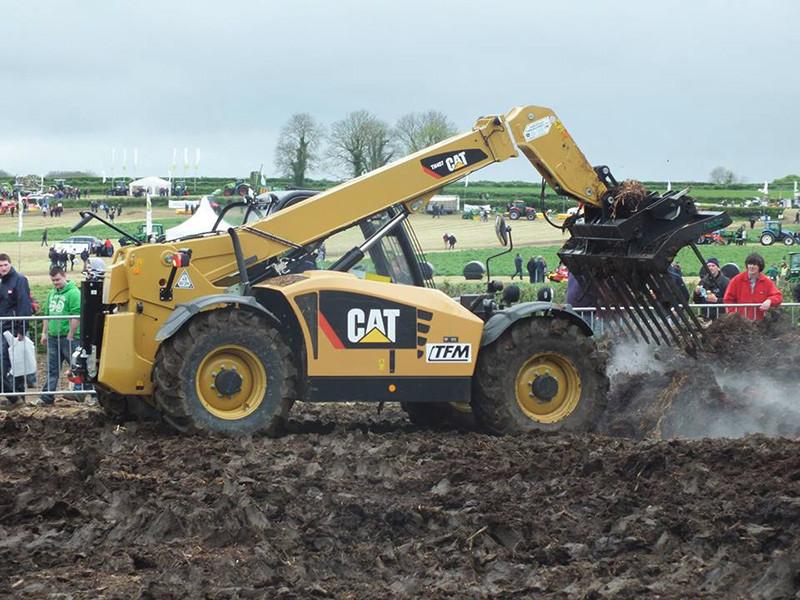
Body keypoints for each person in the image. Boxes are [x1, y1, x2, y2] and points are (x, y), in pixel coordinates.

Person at [37, 266, 82, 406]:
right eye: (53, 280)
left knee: (76, 366)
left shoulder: (74, 293)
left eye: (57, 279)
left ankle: (81, 392)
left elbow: (76, 314)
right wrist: (44, 332)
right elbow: (47, 314)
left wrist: (71, 334)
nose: (55, 283)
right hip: (53, 336)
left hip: (68, 337)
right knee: (52, 368)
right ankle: (47, 397)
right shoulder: (52, 293)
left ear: (64, 276)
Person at [0, 254, 33, 408]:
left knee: (16, 363)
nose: (3, 268)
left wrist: (22, 328)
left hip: (13, 328)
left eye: (5, 265)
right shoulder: (1, 282)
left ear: (10, 264)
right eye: (0, 266)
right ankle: (13, 397)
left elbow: (24, 304)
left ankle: (18, 398)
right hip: (2, 327)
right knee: (6, 365)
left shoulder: (19, 279)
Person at [723, 252, 783, 321]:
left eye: (754, 264)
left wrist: (770, 301)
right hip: (740, 322)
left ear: (760, 266)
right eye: (749, 264)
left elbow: (778, 296)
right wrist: (733, 315)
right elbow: (728, 299)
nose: (751, 267)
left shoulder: (766, 281)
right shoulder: (736, 280)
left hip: (759, 322)